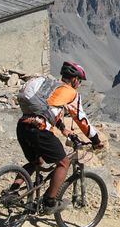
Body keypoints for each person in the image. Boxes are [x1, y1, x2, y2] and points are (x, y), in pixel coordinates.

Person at [14, 61, 104, 214]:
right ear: (75, 79)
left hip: (22, 126)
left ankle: (12, 193)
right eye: (79, 81)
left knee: (37, 161)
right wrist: (95, 140)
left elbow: (45, 110)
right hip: (40, 130)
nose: (79, 84)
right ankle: (49, 202)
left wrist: (63, 129)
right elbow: (82, 120)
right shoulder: (70, 92)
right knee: (64, 162)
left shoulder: (49, 86)